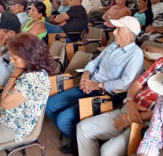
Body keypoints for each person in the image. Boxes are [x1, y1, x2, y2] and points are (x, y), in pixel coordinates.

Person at [77, 30, 163, 156]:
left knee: (108, 151)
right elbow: (137, 83)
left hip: (147, 121)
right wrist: (130, 101)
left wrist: (131, 117)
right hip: (130, 108)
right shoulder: (161, 62)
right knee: (83, 128)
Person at [46, 16, 144, 154]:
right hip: (90, 84)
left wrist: (96, 86)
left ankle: (79, 142)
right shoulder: (113, 46)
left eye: (118, 30)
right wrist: (86, 74)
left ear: (129, 35)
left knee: (64, 119)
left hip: (107, 93)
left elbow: (125, 83)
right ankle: (76, 138)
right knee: (50, 105)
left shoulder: (136, 54)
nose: (114, 32)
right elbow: (94, 62)